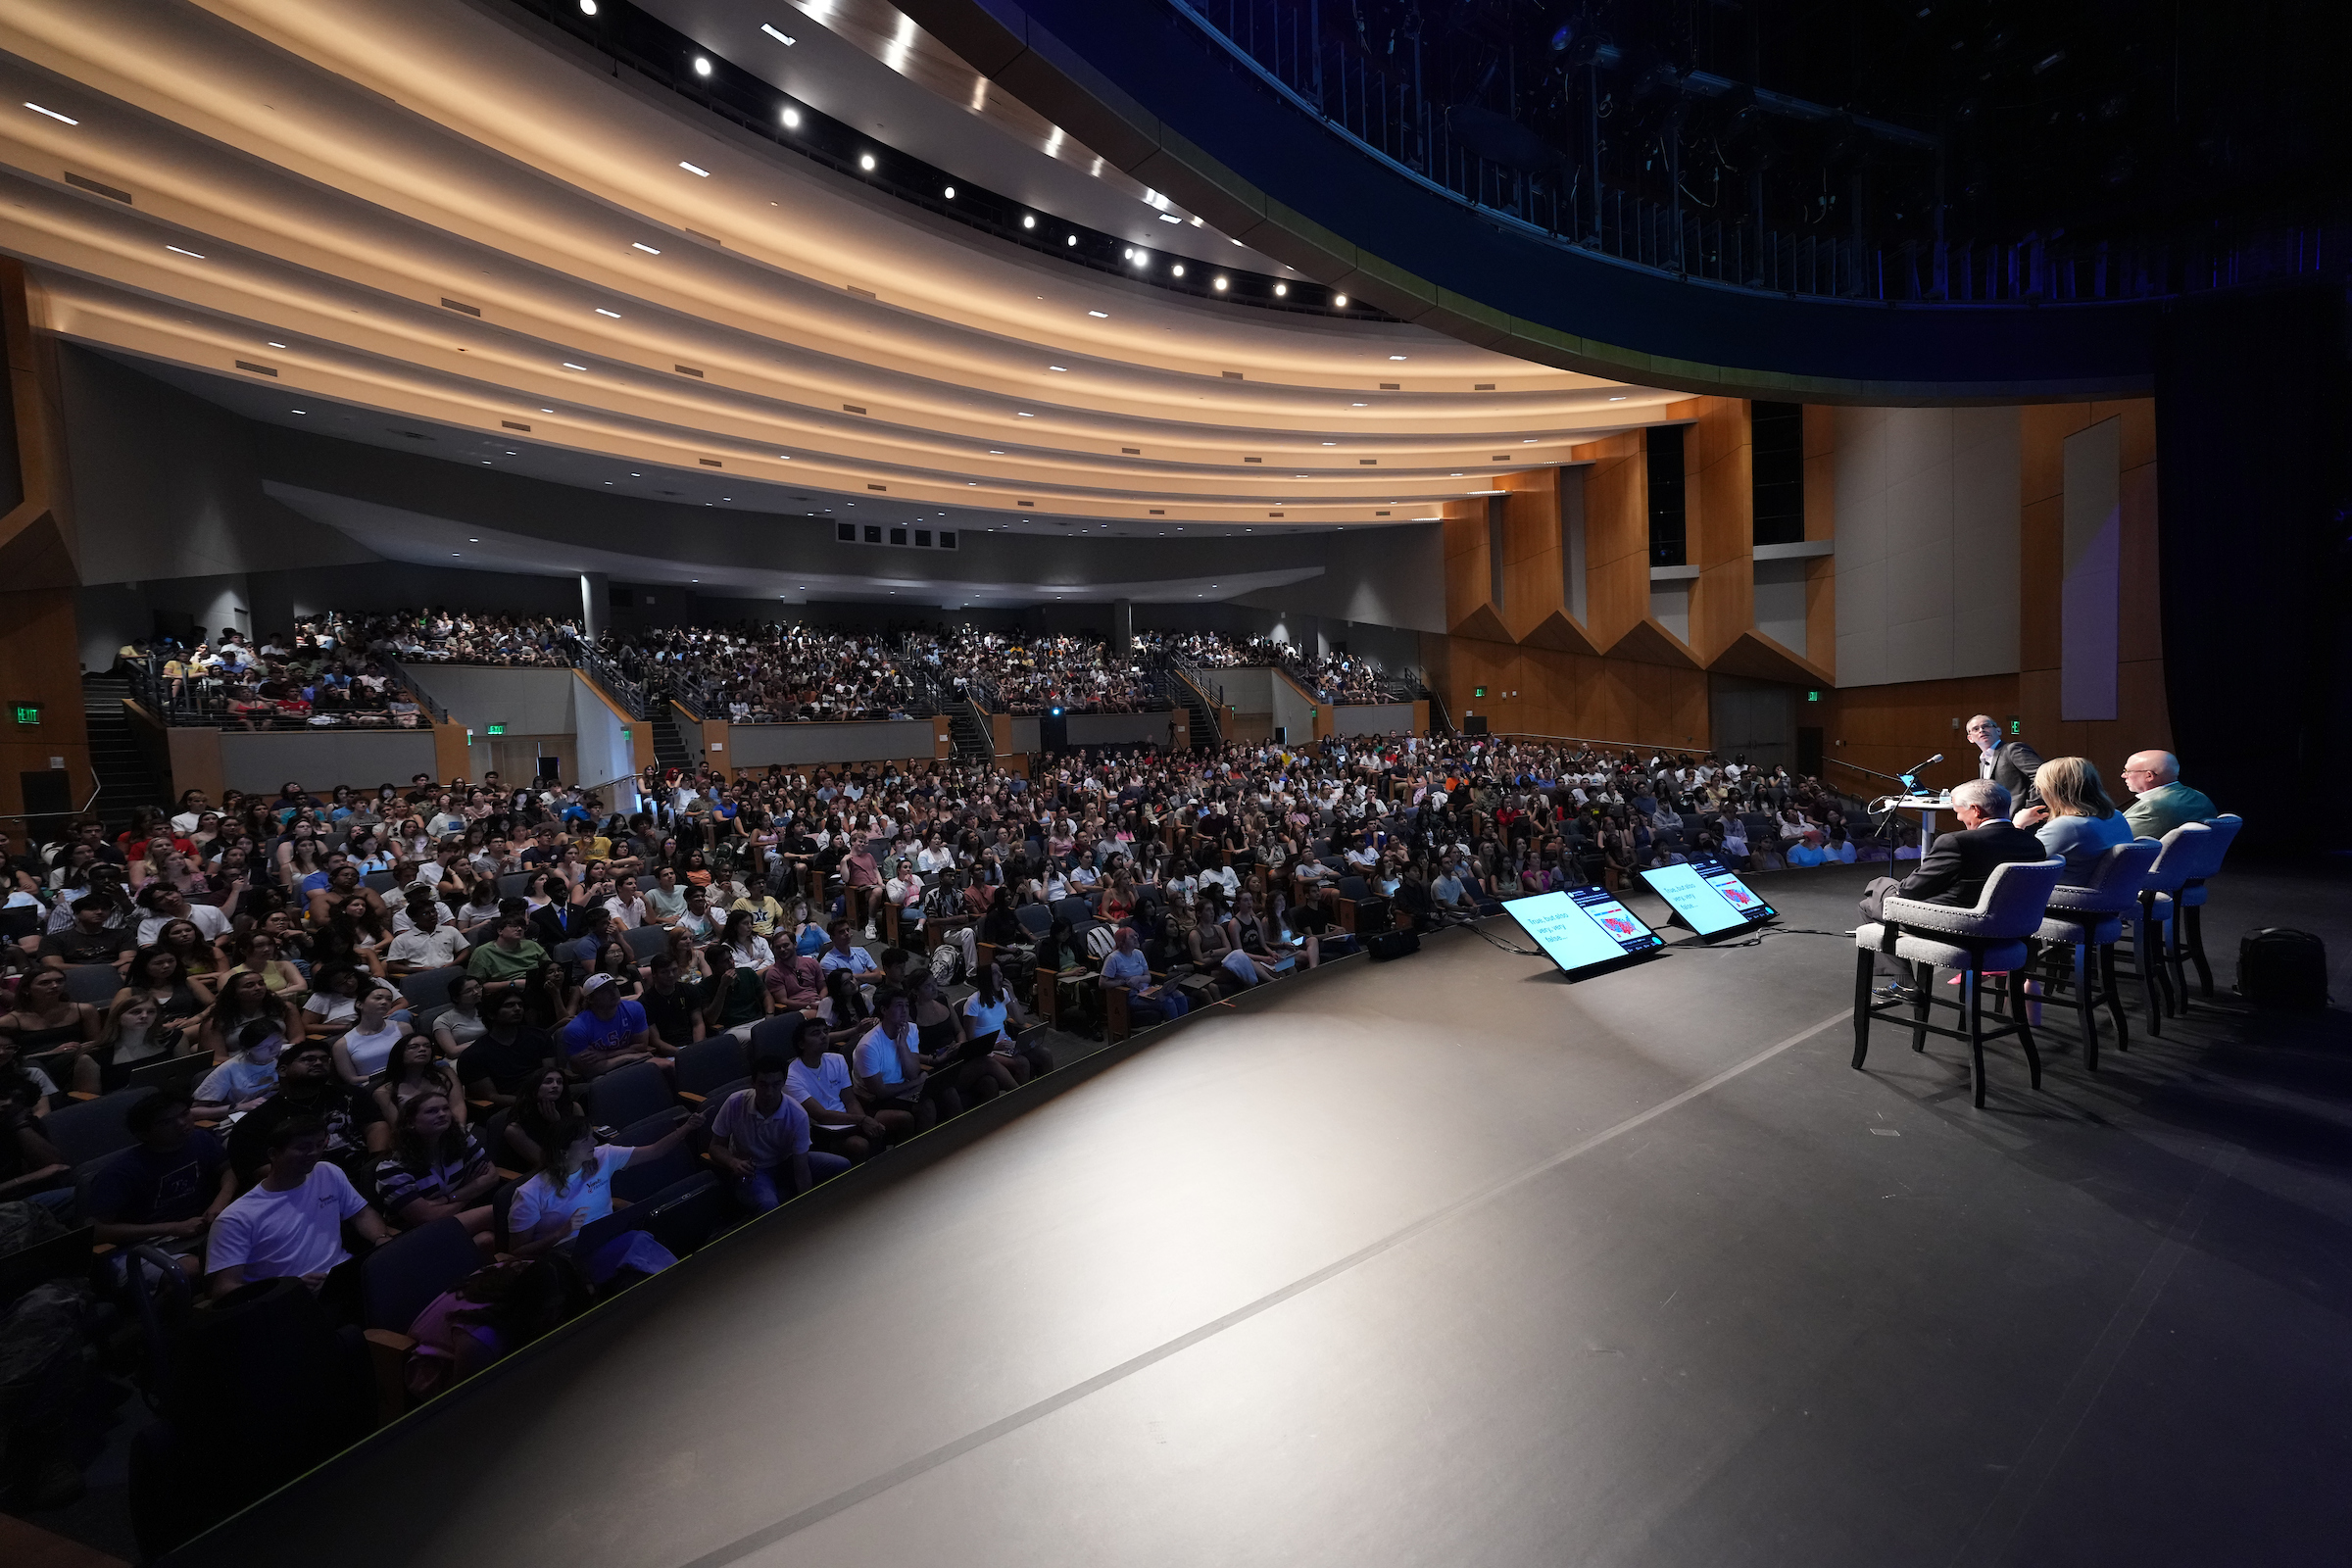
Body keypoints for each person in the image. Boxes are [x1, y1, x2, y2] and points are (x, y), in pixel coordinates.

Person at [1855, 779, 2048, 996]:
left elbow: (1912, 891)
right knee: (1885, 889)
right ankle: (1903, 981)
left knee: (1873, 898)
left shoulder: (1958, 842)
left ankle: (1904, 982)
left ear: (1975, 810)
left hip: (1957, 927)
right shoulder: (2034, 845)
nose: (1958, 817)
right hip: (2010, 930)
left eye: (1958, 811)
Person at [204, 1114, 390, 1314]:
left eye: (320, 1144)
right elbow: (224, 1291)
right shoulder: (236, 1218)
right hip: (289, 1302)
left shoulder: (327, 1172)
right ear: (273, 1154)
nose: (314, 1153)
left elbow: (362, 1214)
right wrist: (289, 1287)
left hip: (343, 1277)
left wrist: (381, 1239)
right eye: (303, 1147)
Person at [505, 1112, 704, 1280]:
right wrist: (561, 1233)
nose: (594, 1141)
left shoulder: (603, 1156)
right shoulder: (530, 1194)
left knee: (639, 1241)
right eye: (585, 1140)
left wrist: (686, 1127)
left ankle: (677, 1280)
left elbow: (654, 1151)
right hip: (567, 1259)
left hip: (607, 1237)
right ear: (564, 1151)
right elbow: (517, 1252)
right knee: (636, 1244)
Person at [85, 1088, 235, 1279]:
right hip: (143, 1246)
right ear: (144, 1134)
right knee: (188, 1271)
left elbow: (228, 1170)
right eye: (166, 1122)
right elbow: (97, 1230)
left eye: (185, 1114)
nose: (182, 1124)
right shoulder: (121, 1172)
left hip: (199, 1231)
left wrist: (219, 1203)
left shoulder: (200, 1140)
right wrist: (172, 1228)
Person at [223, 1037, 389, 1185]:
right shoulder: (255, 1122)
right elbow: (259, 1170)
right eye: (308, 1059)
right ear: (283, 1070)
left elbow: (376, 1126)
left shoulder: (352, 1094)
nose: (318, 1063)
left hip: (365, 1177)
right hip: (303, 1189)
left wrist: (373, 1167)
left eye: (324, 1059)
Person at [706, 1054, 851, 1211]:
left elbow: (801, 1168)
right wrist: (733, 1162)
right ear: (752, 1083)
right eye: (763, 1085)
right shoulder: (735, 1102)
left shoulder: (797, 1114)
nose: (769, 1092)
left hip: (786, 1161)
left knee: (842, 1165)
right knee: (768, 1206)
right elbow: (715, 1147)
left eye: (776, 1085)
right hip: (754, 1168)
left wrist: (807, 1207)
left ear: (783, 1083)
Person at [369, 1091, 499, 1238]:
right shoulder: (391, 1170)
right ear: (410, 1123)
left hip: (457, 1217)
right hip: (419, 1235)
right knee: (494, 1213)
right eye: (432, 1111)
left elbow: (492, 1176)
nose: (442, 1114)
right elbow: (426, 1218)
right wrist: (470, 1192)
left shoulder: (461, 1138)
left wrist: (448, 1198)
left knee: (486, 1239)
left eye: (446, 1108)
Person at [782, 1012, 892, 1158]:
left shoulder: (837, 1059)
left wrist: (864, 1123)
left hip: (848, 1120)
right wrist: (862, 1120)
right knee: (860, 1145)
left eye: (825, 1031)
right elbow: (821, 1116)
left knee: (892, 1123)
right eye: (816, 1033)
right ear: (801, 1044)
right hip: (821, 1130)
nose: (823, 1036)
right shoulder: (791, 1076)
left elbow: (850, 1100)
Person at [2018, 757, 2134, 875]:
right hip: (2109, 892)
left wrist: (2017, 826)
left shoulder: (2066, 827)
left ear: (2053, 791)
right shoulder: (2116, 816)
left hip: (2062, 891)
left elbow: (2017, 867)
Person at [557, 972, 654, 1079]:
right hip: (597, 1077)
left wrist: (603, 1055)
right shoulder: (576, 1028)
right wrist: (627, 1056)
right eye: (604, 990)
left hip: (633, 1062)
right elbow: (588, 1069)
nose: (613, 992)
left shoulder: (635, 1009)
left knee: (666, 1066)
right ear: (590, 999)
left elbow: (641, 1046)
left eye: (614, 987)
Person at [2117, 750, 2218, 841]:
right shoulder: (2200, 797)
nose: (2123, 776)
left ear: (2149, 776)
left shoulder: (2151, 807)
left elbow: (2114, 840)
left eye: (2127, 771)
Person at [1101, 925, 1191, 1022]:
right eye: (1131, 937)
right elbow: (1102, 983)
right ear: (1122, 942)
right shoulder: (1113, 958)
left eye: (1136, 935)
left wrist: (1138, 978)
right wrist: (1124, 981)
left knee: (1179, 996)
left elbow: (1148, 977)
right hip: (1131, 995)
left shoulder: (1138, 953)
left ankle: (1184, 1027)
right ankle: (1175, 1032)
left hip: (1146, 990)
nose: (1136, 938)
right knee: (1168, 1002)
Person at [1965, 714, 2045, 810]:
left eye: (1986, 726)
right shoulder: (1983, 761)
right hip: (2003, 818)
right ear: (1970, 739)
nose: (1981, 730)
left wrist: (2030, 808)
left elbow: (2042, 776)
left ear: (1998, 731)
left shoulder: (2013, 750)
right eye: (1975, 729)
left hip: (2024, 817)